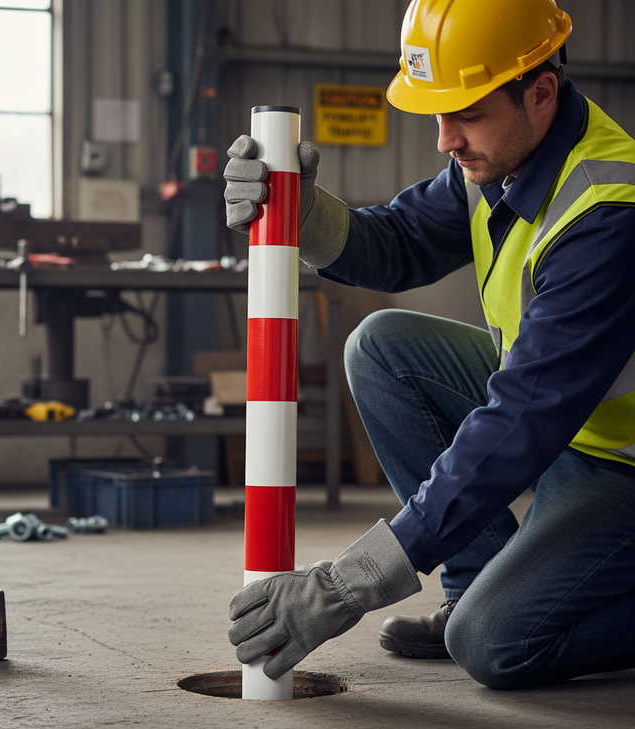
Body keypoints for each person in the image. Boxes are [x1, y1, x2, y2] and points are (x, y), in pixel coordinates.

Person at [223, 0, 635, 689]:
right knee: (382, 348)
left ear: (540, 92)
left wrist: (349, 583)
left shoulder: (606, 214)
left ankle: (482, 610)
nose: (446, 140)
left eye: (466, 113)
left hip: (619, 462)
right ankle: (470, 584)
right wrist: (299, 212)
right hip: (572, 423)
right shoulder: (503, 158)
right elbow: (398, 243)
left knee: (493, 643)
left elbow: (522, 421)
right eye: (437, 115)